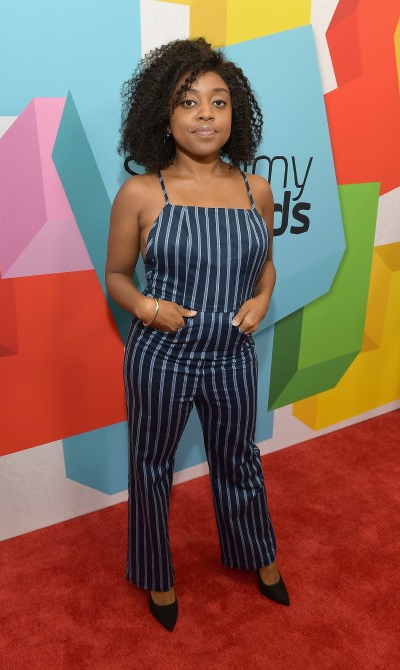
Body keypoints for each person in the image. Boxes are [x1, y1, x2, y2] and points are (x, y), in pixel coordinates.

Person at [105, 37, 290, 632]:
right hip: (161, 355)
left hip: (233, 354)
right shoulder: (141, 192)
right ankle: (156, 572)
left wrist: (262, 298)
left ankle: (258, 554)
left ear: (236, 115)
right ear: (164, 115)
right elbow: (116, 276)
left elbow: (266, 264)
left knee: (239, 458)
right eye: (189, 101)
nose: (205, 114)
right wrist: (147, 307)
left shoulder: (256, 190)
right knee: (151, 463)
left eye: (218, 101)